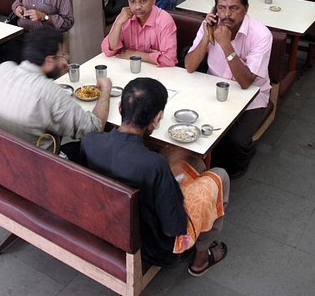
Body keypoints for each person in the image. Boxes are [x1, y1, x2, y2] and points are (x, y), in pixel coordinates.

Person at [80, 77, 230, 274]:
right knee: (221, 175)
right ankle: (201, 257)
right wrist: (172, 181)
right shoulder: (155, 165)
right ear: (156, 119)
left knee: (196, 164)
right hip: (153, 246)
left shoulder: (90, 141)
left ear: (119, 108)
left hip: (106, 219)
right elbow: (174, 228)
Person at [184, 0, 272, 179]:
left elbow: (246, 82)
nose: (227, 15)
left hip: (251, 96)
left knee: (236, 141)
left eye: (234, 8)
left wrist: (226, 46)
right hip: (213, 88)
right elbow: (190, 66)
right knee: (193, 127)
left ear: (245, 8)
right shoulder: (209, 25)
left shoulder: (261, 35)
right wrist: (207, 35)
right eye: (221, 8)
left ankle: (240, 163)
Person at [0, 27, 112, 163]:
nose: (63, 59)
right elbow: (94, 129)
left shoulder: (3, 69)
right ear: (49, 60)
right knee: (97, 149)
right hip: (35, 171)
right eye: (61, 55)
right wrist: (105, 90)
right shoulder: (50, 93)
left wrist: (53, 70)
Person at [102, 0, 178, 67]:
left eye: (143, 1)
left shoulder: (165, 21)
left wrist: (136, 54)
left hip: (158, 72)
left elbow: (169, 59)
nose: (137, 7)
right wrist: (118, 24)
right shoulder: (124, 17)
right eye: (132, 1)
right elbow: (108, 50)